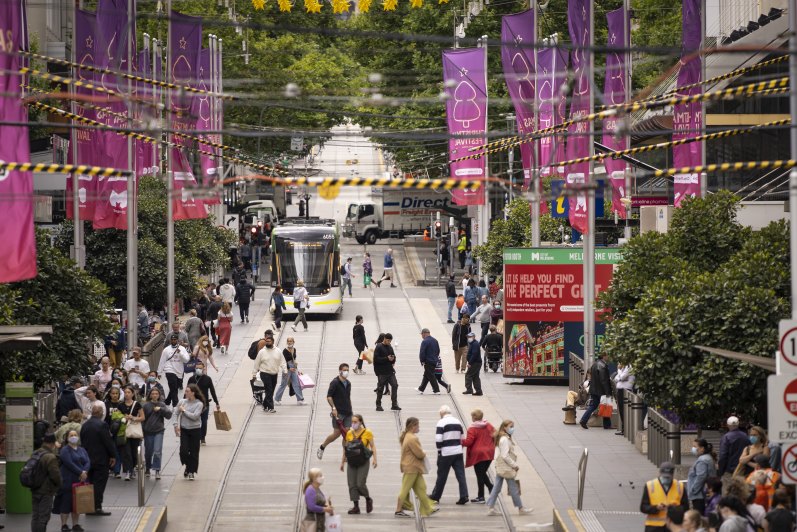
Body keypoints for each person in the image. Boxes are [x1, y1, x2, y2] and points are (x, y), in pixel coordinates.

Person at [486, 420, 534, 516]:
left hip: (501, 467)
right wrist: (514, 465)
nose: (512, 428)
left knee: (497, 487)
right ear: (504, 427)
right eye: (510, 426)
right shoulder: (504, 439)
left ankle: (491, 507)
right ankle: (520, 508)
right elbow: (504, 455)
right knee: (513, 487)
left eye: (513, 426)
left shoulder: (502, 437)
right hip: (506, 467)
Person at [395, 417, 437, 518]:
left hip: (413, 467)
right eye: (418, 425)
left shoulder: (408, 436)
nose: (419, 427)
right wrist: (424, 453)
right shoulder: (412, 438)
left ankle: (428, 508)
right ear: (413, 426)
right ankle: (398, 509)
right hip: (412, 467)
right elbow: (419, 454)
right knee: (405, 489)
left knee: (421, 488)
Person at [80, 405, 116, 516]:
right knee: (99, 484)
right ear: (100, 413)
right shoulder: (102, 425)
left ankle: (89, 507)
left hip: (87, 459)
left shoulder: (85, 425)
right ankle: (97, 507)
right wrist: (113, 455)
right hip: (101, 459)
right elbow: (107, 441)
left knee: (90, 483)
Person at [429, 405, 468, 505]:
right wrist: (459, 448)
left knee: (442, 475)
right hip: (458, 452)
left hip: (446, 452)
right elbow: (463, 438)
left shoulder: (441, 422)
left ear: (442, 413)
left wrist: (439, 451)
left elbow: (438, 439)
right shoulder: (458, 422)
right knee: (461, 475)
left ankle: (436, 496)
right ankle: (464, 495)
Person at [54, 429, 90, 532]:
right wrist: (81, 472)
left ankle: (75, 525)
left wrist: (85, 471)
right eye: (71, 435)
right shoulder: (65, 450)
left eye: (75, 435)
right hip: (68, 480)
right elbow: (69, 463)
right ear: (67, 438)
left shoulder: (82, 449)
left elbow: (88, 461)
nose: (73, 437)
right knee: (66, 502)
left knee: (77, 504)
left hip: (80, 481)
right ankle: (64, 525)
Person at [340, 414, 377, 514]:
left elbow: (373, 446)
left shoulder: (367, 432)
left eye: (355, 422)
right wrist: (342, 461)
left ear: (360, 422)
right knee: (351, 484)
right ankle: (356, 506)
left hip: (363, 460)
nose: (353, 424)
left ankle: (368, 498)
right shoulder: (349, 433)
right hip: (352, 461)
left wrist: (375, 459)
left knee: (360, 483)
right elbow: (346, 448)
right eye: (352, 422)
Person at [318, 363, 354, 459]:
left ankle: (345, 455)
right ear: (340, 371)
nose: (346, 372)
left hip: (348, 412)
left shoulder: (348, 383)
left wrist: (351, 410)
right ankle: (322, 447)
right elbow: (329, 396)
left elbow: (348, 397)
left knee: (347, 434)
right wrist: (333, 408)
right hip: (338, 412)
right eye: (344, 370)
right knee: (336, 434)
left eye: (347, 370)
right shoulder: (335, 382)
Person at [641, 461, 689, 531]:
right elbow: (643, 507)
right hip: (654, 527)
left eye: (668, 477)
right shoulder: (650, 486)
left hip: (673, 526)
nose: (666, 479)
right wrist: (656, 508)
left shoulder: (680, 487)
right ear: (660, 473)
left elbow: (686, 508)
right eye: (664, 477)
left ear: (672, 475)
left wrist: (674, 509)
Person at [29, 433, 62, 532]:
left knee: (35, 516)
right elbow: (55, 475)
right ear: (52, 443)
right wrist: (59, 484)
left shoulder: (35, 453)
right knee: (43, 517)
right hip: (46, 491)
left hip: (35, 488)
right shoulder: (50, 457)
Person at [461, 409, 495, 503]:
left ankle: (482, 496)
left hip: (479, 454)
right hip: (489, 452)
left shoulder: (472, 428)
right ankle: (488, 489)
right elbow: (495, 435)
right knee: (482, 473)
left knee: (480, 475)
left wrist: (459, 441)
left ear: (474, 418)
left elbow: (469, 442)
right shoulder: (488, 425)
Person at [176, 383, 205, 480]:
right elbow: (176, 413)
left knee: (194, 451)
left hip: (195, 429)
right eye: (185, 391)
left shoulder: (199, 404)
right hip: (184, 429)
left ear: (193, 393)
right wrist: (176, 426)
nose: (185, 393)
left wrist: (184, 411)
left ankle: (191, 471)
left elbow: (195, 417)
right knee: (183, 451)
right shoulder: (182, 401)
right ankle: (188, 466)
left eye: (187, 391)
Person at [187, 361, 220, 444]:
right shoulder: (191, 379)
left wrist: (217, 403)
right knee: (193, 420)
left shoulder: (207, 379)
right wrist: (185, 402)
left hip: (204, 404)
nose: (198, 370)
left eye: (200, 368)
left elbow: (212, 391)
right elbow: (186, 392)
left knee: (204, 421)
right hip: (193, 403)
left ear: (204, 368)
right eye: (197, 368)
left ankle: (202, 437)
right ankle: (194, 436)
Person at [142, 387, 171, 480]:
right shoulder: (146, 405)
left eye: (156, 394)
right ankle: (148, 467)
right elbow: (142, 419)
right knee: (148, 451)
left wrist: (161, 409)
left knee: (157, 451)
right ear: (150, 395)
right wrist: (142, 431)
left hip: (159, 431)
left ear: (159, 395)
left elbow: (169, 415)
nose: (154, 395)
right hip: (148, 431)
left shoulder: (162, 404)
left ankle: (157, 470)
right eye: (153, 394)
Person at [252, 333, 285, 413]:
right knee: (269, 389)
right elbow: (257, 363)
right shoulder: (262, 352)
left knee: (271, 390)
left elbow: (282, 361)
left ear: (273, 342)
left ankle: (265, 404)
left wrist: (285, 370)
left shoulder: (278, 351)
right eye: (266, 341)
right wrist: (254, 374)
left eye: (269, 341)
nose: (267, 343)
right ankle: (271, 407)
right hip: (265, 373)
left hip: (274, 373)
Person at [579, 352, 612, 430]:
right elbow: (604, 380)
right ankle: (607, 425)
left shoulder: (595, 364)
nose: (608, 357)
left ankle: (584, 420)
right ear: (604, 356)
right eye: (607, 355)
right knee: (605, 406)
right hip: (601, 390)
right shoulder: (603, 366)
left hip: (594, 389)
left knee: (593, 405)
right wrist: (608, 392)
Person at [157, 333, 191, 407]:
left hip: (179, 370)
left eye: (175, 339)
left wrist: (181, 353)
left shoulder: (182, 349)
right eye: (172, 340)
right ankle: (176, 404)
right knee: (173, 386)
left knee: (174, 387)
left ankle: (168, 401)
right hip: (169, 370)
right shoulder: (166, 350)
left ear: (177, 340)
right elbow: (162, 360)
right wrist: (159, 372)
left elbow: (186, 360)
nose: (173, 341)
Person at [119, 385, 144, 481]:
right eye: (125, 392)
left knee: (134, 453)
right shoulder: (120, 405)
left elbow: (142, 417)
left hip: (134, 431)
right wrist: (123, 418)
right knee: (126, 452)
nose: (127, 394)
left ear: (133, 394)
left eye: (129, 392)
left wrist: (133, 418)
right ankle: (127, 471)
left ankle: (132, 468)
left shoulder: (137, 404)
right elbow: (116, 416)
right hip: (124, 430)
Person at [688, 438, 718, 514]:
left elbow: (701, 477)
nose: (693, 448)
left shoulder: (702, 460)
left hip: (699, 495)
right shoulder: (707, 458)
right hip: (703, 494)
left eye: (695, 446)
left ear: (702, 448)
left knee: (699, 517)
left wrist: (693, 490)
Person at [274, 337, 306, 406]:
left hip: (293, 368)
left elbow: (294, 360)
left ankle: (300, 400)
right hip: (287, 368)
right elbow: (282, 361)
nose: (289, 342)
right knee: (283, 384)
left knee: (296, 383)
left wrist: (298, 370)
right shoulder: (285, 351)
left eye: (291, 341)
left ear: (293, 342)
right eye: (288, 341)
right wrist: (288, 368)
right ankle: (276, 399)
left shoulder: (294, 349)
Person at [375, 333, 401, 412]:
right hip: (382, 372)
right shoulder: (379, 346)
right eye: (388, 340)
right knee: (380, 388)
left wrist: (393, 359)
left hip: (390, 371)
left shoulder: (390, 347)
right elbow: (376, 359)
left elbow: (393, 356)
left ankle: (394, 404)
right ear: (384, 339)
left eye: (390, 341)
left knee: (395, 385)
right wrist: (386, 358)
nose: (389, 342)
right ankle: (378, 405)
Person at [417, 328, 442, 394]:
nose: (422, 336)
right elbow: (438, 351)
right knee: (426, 375)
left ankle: (436, 390)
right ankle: (421, 389)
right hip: (434, 361)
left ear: (424, 333)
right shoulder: (435, 340)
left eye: (422, 334)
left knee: (431, 375)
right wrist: (435, 358)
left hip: (428, 361)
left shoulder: (425, 341)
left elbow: (422, 352)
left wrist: (422, 360)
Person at [613, 363, 635, 435]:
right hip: (620, 391)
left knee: (624, 410)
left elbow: (622, 377)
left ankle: (625, 429)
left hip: (625, 391)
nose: (619, 363)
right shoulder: (624, 368)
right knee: (621, 410)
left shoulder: (629, 367)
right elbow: (616, 379)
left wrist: (619, 370)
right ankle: (623, 429)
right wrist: (620, 376)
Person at [463, 331, 483, 395]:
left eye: (470, 337)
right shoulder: (473, 343)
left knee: (468, 375)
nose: (469, 338)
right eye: (468, 337)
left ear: (474, 337)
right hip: (476, 362)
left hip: (475, 363)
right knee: (475, 377)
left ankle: (469, 389)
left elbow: (474, 354)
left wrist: (470, 363)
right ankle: (478, 391)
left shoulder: (475, 344)